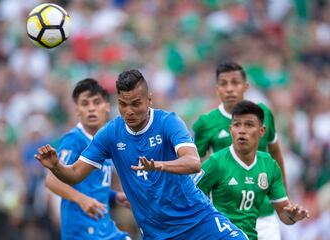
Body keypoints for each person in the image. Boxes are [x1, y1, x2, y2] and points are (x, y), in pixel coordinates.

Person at [35, 69, 248, 240]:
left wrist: (159, 165)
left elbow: (193, 163)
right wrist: (55, 166)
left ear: (149, 100)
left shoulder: (168, 122)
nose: (129, 111)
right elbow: (74, 174)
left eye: (136, 104)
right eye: (123, 104)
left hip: (197, 220)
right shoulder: (110, 133)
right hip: (157, 233)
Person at [192, 61, 286, 240]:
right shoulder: (206, 123)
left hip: (264, 213)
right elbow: (195, 165)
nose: (229, 89)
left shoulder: (264, 114)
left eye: (235, 82)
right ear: (217, 88)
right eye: (223, 84)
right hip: (228, 216)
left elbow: (275, 151)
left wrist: (284, 196)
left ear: (246, 86)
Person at [197, 100, 309, 239]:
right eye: (237, 125)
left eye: (249, 125)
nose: (242, 130)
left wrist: (293, 216)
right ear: (231, 129)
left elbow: (283, 213)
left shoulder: (269, 165)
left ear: (262, 131)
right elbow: (188, 198)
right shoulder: (216, 163)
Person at [44, 78, 130, 240]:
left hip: (103, 227)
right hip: (82, 231)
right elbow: (51, 181)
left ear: (107, 106)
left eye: (96, 103)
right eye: (85, 104)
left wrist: (114, 197)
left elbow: (91, 186)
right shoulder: (74, 140)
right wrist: (82, 200)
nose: (91, 109)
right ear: (77, 109)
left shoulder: (105, 141)